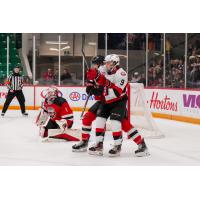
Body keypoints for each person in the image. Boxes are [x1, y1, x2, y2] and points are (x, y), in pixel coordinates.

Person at [79, 54, 149, 157]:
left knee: (116, 123)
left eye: (108, 63)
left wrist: (101, 85)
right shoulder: (103, 68)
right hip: (105, 101)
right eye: (105, 63)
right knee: (99, 121)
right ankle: (98, 145)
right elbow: (96, 79)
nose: (105, 65)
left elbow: (116, 92)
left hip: (118, 101)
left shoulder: (121, 74)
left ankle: (119, 145)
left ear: (114, 63)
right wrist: (91, 79)